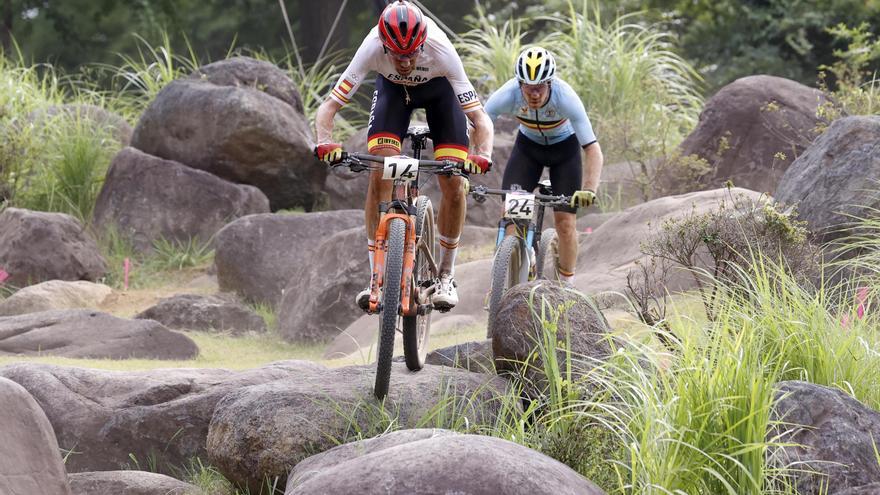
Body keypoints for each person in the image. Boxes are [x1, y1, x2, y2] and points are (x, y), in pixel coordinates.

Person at [313, 0, 494, 310]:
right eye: (397, 55)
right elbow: (329, 107)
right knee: (379, 171)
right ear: (384, 46)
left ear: (422, 43)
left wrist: (482, 154)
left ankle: (445, 276)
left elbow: (480, 119)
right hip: (393, 94)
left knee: (452, 182)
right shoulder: (370, 46)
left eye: (411, 55)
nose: (406, 63)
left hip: (441, 96)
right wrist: (325, 142)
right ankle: (376, 276)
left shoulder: (441, 50)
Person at [483, 46, 603, 283]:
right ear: (519, 84)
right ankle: (508, 281)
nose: (534, 94)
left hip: (564, 152)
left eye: (539, 87)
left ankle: (567, 289)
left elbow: (592, 149)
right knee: (512, 217)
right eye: (528, 88)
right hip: (528, 150)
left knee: (565, 223)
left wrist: (589, 189)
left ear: (550, 83)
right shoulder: (506, 95)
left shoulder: (566, 98)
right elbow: (479, 124)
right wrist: (476, 154)